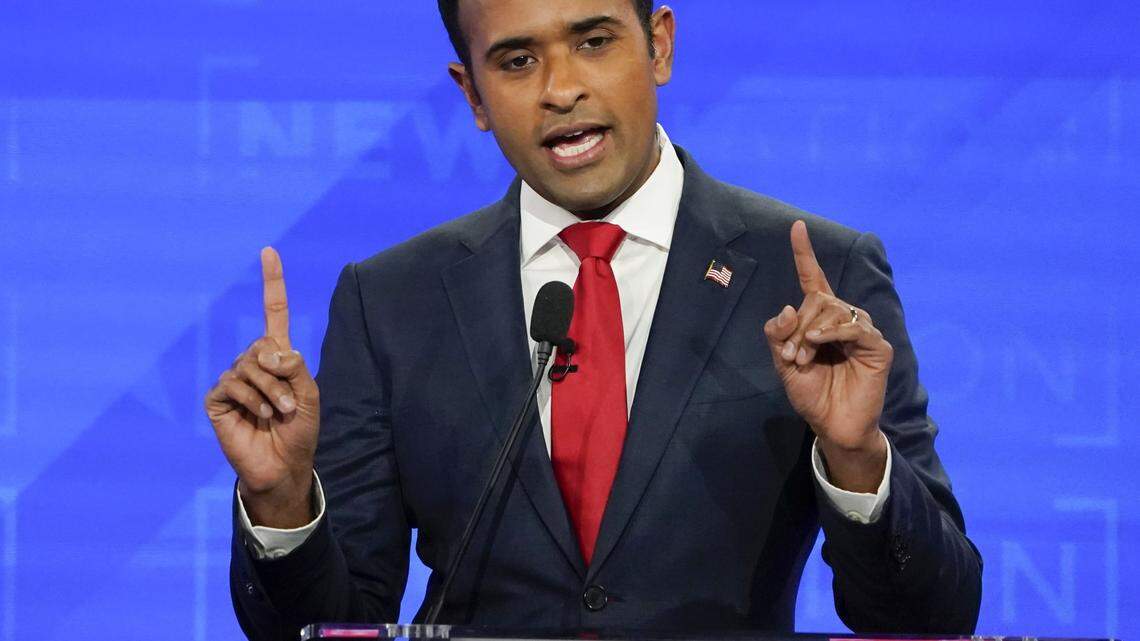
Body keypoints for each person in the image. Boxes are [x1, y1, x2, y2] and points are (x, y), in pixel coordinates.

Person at [204, 2, 983, 639]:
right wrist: (281, 503)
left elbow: (933, 616)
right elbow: (332, 626)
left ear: (660, 45)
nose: (560, 87)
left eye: (594, 41)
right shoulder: (392, 300)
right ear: (471, 94)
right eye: (516, 61)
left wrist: (856, 460)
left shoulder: (815, 277)